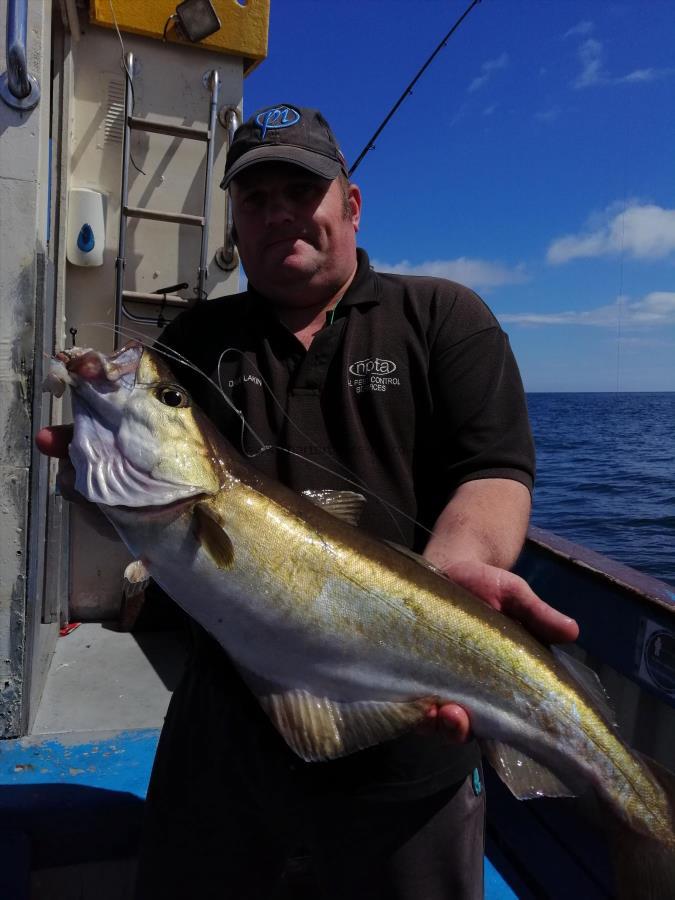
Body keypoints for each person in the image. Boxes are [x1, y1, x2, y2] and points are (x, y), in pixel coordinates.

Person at [37, 104, 578, 900]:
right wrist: (91, 482)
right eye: (255, 199)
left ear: (350, 205)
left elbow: (493, 470)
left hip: (412, 745)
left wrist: (455, 568)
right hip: (223, 741)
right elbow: (148, 515)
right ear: (235, 221)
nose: (278, 211)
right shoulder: (193, 339)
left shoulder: (442, 318)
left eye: (302, 188)